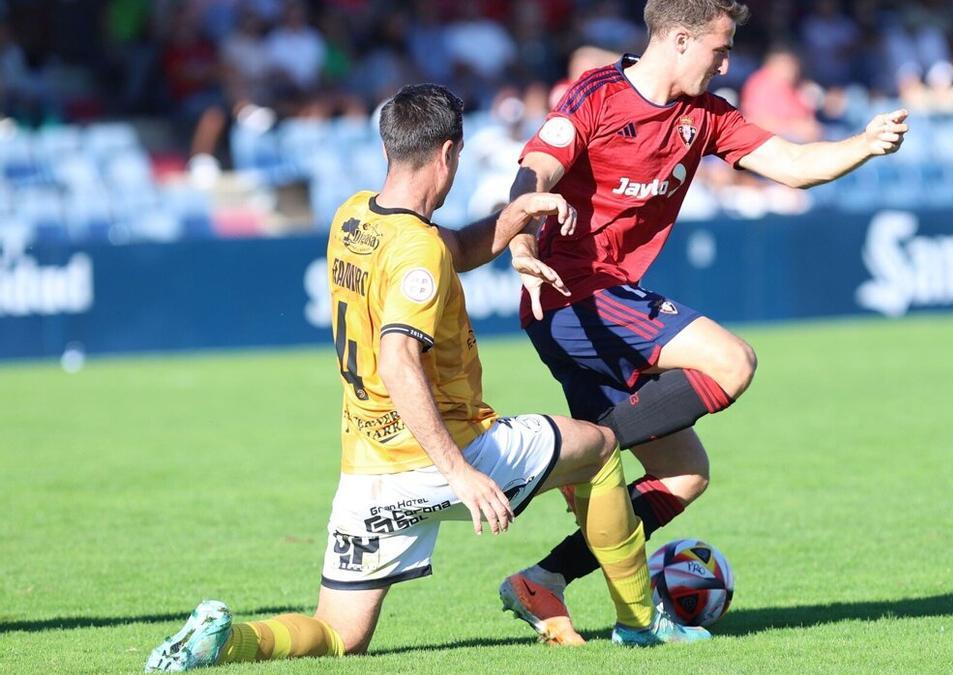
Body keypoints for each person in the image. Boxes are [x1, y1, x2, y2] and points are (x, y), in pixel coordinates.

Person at [145, 83, 709, 672]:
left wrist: (515, 216)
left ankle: (224, 641)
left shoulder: (353, 215)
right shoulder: (418, 254)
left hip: (369, 472)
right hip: (447, 451)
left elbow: (456, 246)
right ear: (448, 153)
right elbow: (398, 359)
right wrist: (460, 473)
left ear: (388, 147)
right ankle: (640, 624)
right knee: (598, 448)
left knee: (340, 635)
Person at [500, 0, 908, 643]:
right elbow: (536, 172)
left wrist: (865, 143)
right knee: (731, 361)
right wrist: (521, 242)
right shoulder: (597, 96)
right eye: (720, 50)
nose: (726, 64)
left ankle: (544, 579)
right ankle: (574, 457)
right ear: (682, 40)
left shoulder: (706, 115)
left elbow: (794, 166)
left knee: (684, 476)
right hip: (571, 293)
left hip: (606, 301)